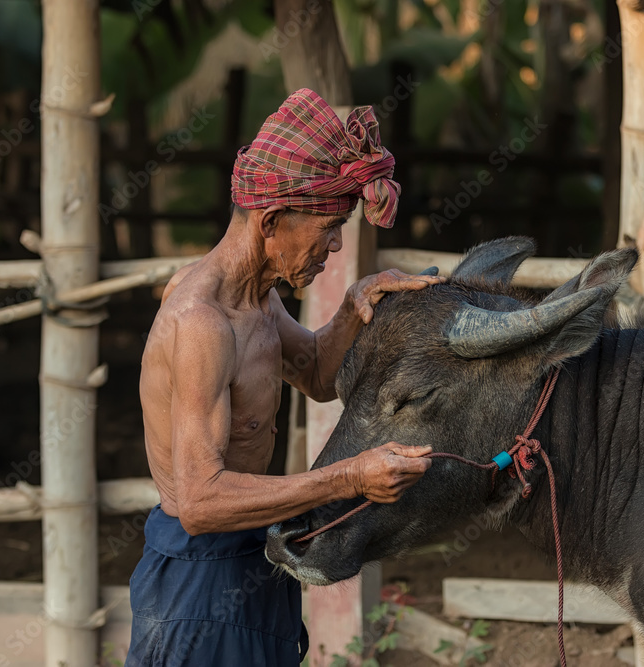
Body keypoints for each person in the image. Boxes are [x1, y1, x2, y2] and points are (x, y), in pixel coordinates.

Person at [126, 88, 442, 666]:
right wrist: (350, 477)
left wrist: (353, 306)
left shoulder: (258, 300)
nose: (337, 244)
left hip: (256, 552)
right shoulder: (202, 323)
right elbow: (199, 501)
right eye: (328, 227)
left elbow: (317, 376)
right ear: (271, 221)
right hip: (202, 582)